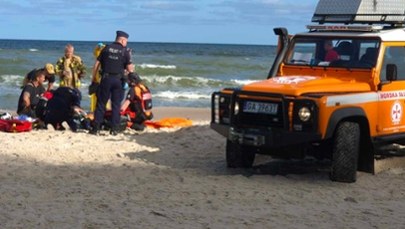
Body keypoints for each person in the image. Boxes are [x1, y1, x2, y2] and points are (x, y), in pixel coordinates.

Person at [90, 30, 134, 135]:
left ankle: (96, 128)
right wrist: (130, 76)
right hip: (118, 81)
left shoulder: (106, 48)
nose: (126, 43)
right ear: (123, 40)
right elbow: (129, 69)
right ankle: (114, 129)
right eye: (126, 41)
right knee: (116, 105)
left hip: (106, 79)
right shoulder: (125, 51)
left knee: (101, 104)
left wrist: (94, 79)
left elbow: (96, 64)